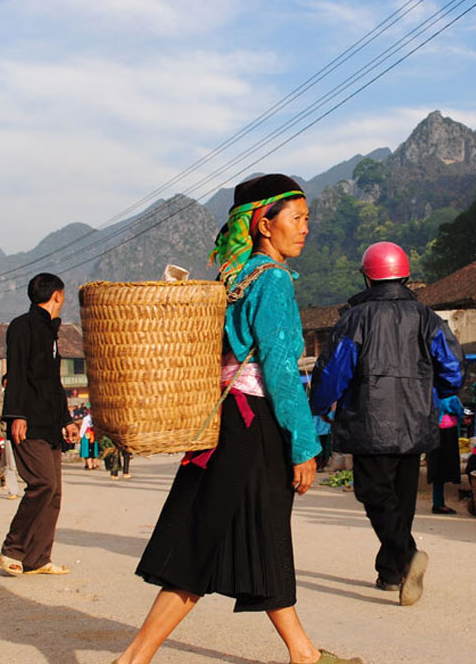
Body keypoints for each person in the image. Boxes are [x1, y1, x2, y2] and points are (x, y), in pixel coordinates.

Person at [120, 175, 358, 664]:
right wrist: (304, 444)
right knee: (205, 541)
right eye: (297, 218)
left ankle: (303, 653)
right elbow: (280, 368)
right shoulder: (271, 280)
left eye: (307, 219)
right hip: (254, 424)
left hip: (224, 418)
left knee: (255, 534)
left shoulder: (233, 277)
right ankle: (133, 659)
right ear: (264, 225)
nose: (305, 228)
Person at [311, 240, 463, 607]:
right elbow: (453, 369)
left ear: (368, 277)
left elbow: (333, 372)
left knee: (373, 493)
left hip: (370, 421)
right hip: (415, 422)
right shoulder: (427, 317)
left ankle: (406, 557)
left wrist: (319, 404)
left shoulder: (355, 318)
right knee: (401, 500)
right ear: (405, 276)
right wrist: (429, 392)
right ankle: (391, 573)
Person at [0, 272, 79, 578]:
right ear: (57, 295)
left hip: (49, 424)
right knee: (42, 484)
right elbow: (17, 371)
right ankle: (13, 548)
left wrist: (66, 419)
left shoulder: (50, 332)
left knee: (54, 492)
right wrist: (17, 414)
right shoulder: (23, 326)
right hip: (28, 422)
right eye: (63, 295)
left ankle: (38, 558)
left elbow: (53, 383)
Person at [428, 394, 463, 514]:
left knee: (437, 469)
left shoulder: (431, 393)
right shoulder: (449, 397)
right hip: (446, 433)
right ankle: (438, 504)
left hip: (434, 431)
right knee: (440, 469)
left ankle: (438, 502)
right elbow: (458, 410)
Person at [0, 375, 21, 499]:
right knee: (10, 465)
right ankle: (13, 490)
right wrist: (0, 433)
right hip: (8, 435)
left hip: (24, 435)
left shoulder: (23, 398)